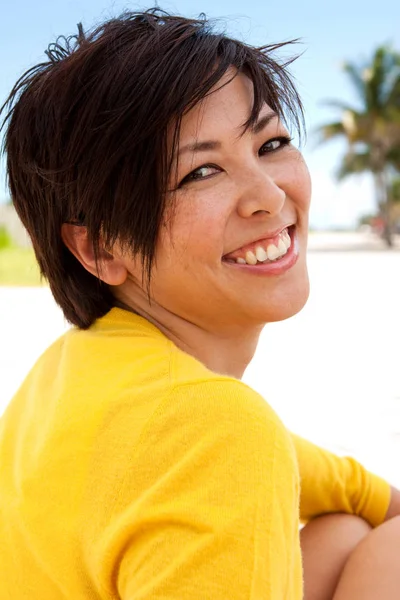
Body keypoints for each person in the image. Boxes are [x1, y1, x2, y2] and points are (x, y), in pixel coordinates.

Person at [0, 9, 399, 599]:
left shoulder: (73, 368)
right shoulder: (218, 433)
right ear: (100, 246)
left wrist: (376, 496)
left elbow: (289, 459)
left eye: (272, 143)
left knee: (345, 531)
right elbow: (221, 444)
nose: (269, 196)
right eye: (201, 171)